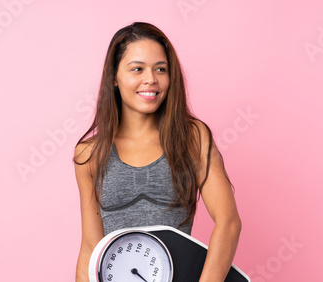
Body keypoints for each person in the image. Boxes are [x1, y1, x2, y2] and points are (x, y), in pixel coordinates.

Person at [73, 22, 242, 282]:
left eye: (160, 69)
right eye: (137, 69)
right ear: (114, 78)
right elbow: (90, 249)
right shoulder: (90, 154)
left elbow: (228, 222)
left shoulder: (192, 138)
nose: (151, 79)